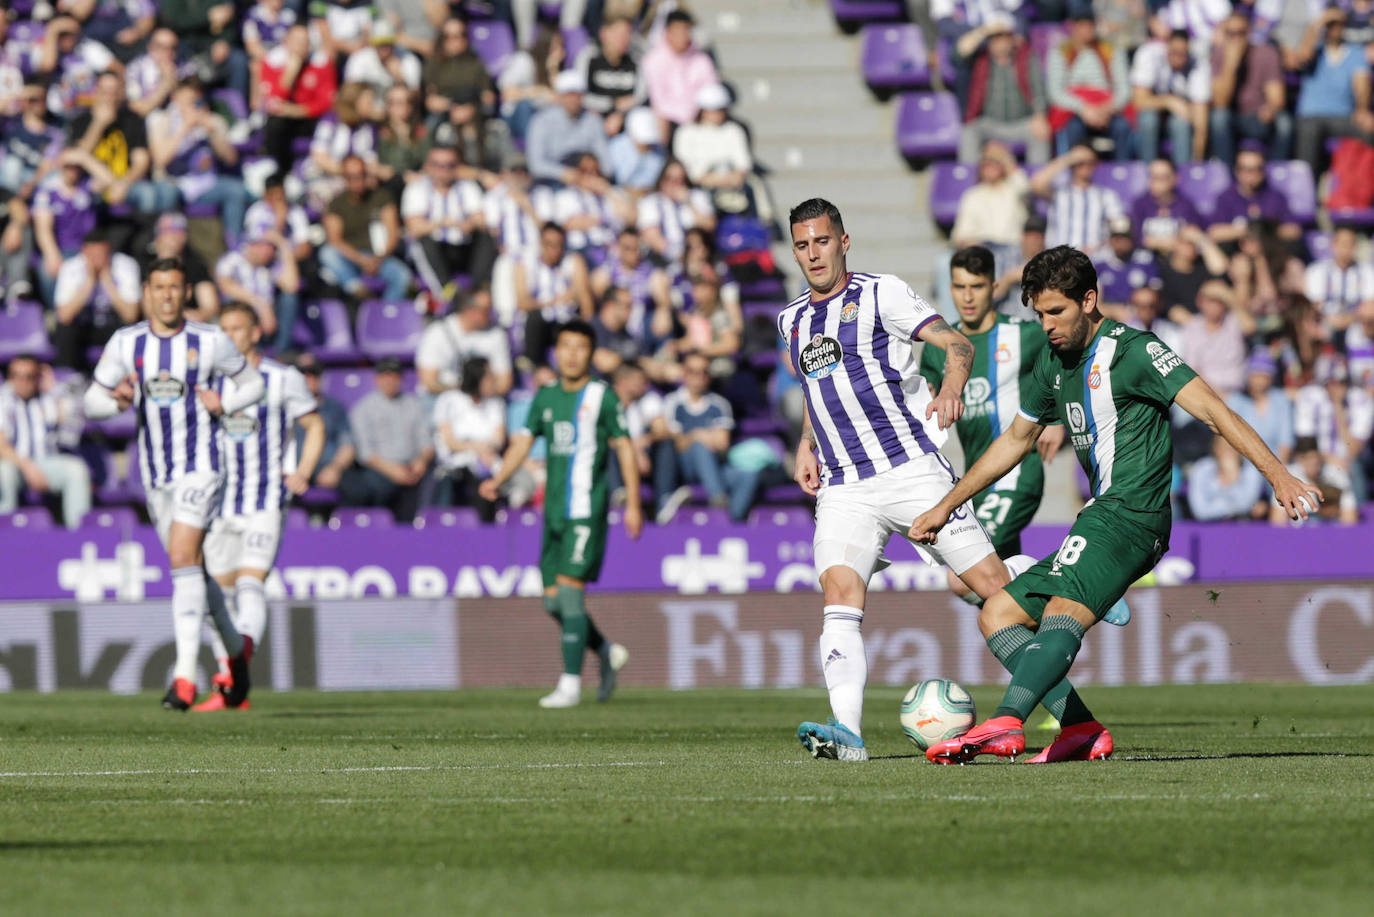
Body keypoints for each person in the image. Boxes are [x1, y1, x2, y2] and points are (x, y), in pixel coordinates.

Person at [909, 245, 1320, 765]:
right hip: (1101, 514)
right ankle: (1080, 728)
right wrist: (948, 505)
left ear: (1089, 299)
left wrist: (1277, 475)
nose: (1047, 325)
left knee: (1060, 613)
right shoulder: (1054, 363)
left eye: (1056, 312)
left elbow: (1215, 411)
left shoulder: (1135, 352)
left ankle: (1005, 722)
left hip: (1132, 513)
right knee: (997, 613)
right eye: (1038, 314)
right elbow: (1015, 440)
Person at [780, 199, 1078, 763]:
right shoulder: (790, 319)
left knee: (989, 589)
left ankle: (1067, 596)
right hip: (845, 484)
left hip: (910, 469)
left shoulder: (881, 293)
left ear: (844, 242)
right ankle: (848, 735)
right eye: (802, 245)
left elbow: (957, 344)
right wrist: (806, 442)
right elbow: (816, 389)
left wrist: (951, 388)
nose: (813, 254)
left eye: (822, 241)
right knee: (840, 596)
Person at [81, 257, 263, 711]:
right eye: (158, 287)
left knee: (182, 557)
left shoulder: (210, 339)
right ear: (146, 292)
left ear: (186, 293)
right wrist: (117, 402)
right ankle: (236, 657)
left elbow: (253, 383)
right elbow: (90, 402)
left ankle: (183, 678)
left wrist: (226, 402)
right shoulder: (127, 343)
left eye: (174, 287)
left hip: (202, 466)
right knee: (195, 575)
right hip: (157, 476)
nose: (166, 295)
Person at [479, 320, 641, 707]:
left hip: (586, 510)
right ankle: (604, 650)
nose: (571, 354)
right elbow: (522, 442)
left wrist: (633, 502)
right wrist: (499, 478)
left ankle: (570, 684)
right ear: (556, 351)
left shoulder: (602, 397)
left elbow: (624, 447)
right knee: (552, 601)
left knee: (570, 595)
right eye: (565, 346)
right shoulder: (546, 396)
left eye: (580, 347)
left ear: (590, 353)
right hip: (552, 511)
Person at [195, 302, 325, 712]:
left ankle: (239, 658)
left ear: (255, 332)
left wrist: (302, 470)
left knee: (252, 584)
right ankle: (230, 688)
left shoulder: (282, 379)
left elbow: (314, 425)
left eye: (239, 328)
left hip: (265, 499)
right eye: (225, 328)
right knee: (215, 598)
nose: (231, 335)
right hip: (219, 504)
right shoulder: (210, 382)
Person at [918, 246, 1067, 574]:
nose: (967, 297)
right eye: (959, 287)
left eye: (977, 286)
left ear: (995, 287)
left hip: (1016, 472)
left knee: (964, 576)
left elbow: (1068, 361)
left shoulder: (1024, 335)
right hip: (976, 480)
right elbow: (922, 392)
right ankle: (1048, 612)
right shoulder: (938, 348)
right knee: (996, 586)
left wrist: (1057, 418)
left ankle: (1074, 579)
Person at [655, 351, 759, 523]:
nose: (699, 376)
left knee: (748, 475)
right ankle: (718, 497)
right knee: (699, 447)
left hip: (714, 466)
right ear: (685, 374)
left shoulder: (719, 404)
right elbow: (678, 444)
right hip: (684, 467)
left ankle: (732, 520)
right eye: (693, 371)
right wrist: (700, 436)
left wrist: (695, 437)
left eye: (704, 371)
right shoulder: (673, 402)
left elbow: (723, 444)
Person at [147, 78, 250, 244]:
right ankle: (163, 243)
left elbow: (231, 159)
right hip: (172, 183)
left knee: (236, 190)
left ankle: (234, 245)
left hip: (205, 184)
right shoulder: (161, 120)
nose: (190, 105)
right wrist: (185, 128)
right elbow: (160, 159)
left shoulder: (213, 120)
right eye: (186, 101)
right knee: (167, 194)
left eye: (194, 100)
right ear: (175, 98)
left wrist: (212, 133)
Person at [0, 354, 91, 529]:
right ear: (9, 377)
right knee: (4, 472)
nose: (22, 382)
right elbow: (1, 447)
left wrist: (55, 389)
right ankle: (4, 531)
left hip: (46, 463)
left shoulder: (48, 399)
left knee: (76, 469)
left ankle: (79, 533)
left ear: (38, 377)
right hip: (15, 464)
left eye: (29, 376)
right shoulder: (3, 401)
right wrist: (27, 466)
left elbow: (75, 424)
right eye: (16, 376)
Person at [339, 358, 432, 523]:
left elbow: (426, 441)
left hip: (412, 468)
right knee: (373, 486)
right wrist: (393, 471)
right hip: (379, 470)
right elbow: (365, 453)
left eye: (394, 376)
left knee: (435, 481)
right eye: (385, 376)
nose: (389, 381)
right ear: (377, 379)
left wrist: (421, 461)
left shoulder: (414, 405)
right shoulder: (364, 408)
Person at [402, 144, 495, 302]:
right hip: (438, 249)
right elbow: (414, 227)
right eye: (438, 165)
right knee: (421, 241)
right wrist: (443, 223)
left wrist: (469, 224)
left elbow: (481, 219)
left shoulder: (467, 187)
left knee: (486, 236)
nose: (444, 170)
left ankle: (479, 290)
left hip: (463, 247)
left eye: (450, 165)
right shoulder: (417, 189)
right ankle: (448, 292)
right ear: (428, 166)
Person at [954, 14, 1051, 166]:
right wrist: (984, 31)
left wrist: (1040, 116)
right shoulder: (980, 59)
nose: (999, 42)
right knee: (969, 131)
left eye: (1003, 36)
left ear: (1012, 38)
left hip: (1021, 122)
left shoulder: (1026, 57)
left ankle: (1036, 182)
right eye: (995, 38)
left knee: (1040, 133)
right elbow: (959, 53)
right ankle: (968, 183)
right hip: (990, 123)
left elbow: (1038, 89)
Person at [320, 154, 412, 302]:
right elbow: (334, 240)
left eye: (360, 175)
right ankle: (357, 289)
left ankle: (384, 314)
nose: (357, 182)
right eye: (351, 177)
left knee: (403, 276)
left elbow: (393, 234)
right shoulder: (336, 204)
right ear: (344, 178)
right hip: (351, 258)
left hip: (380, 258)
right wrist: (361, 260)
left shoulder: (382, 197)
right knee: (327, 253)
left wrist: (378, 259)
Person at [1292, 7, 1374, 172]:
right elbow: (1302, 56)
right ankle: (1306, 189)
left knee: (1369, 131)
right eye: (1331, 25)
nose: (1336, 28)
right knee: (1309, 134)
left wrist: (1363, 110)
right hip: (1311, 115)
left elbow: (1362, 83)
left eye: (1340, 24)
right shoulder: (1316, 51)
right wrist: (1319, 22)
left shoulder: (1356, 53)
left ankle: (1360, 189)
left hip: (1343, 115)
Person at [1045, 11, 1134, 158]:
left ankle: (1122, 171)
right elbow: (1056, 92)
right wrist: (1084, 109)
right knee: (1073, 128)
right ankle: (1073, 172)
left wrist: (1106, 108)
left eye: (1090, 25)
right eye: (1082, 25)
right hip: (1075, 111)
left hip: (1107, 109)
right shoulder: (1060, 51)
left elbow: (1124, 89)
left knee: (1122, 127)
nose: (1086, 30)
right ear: (1073, 26)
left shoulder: (1110, 50)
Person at [53, 227, 142, 371]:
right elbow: (64, 316)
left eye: (102, 255)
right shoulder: (70, 267)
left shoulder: (126, 265)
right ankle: (67, 378)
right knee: (64, 331)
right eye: (92, 256)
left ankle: (128, 374)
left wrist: (108, 281)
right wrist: (89, 282)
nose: (97, 260)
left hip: (113, 326)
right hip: (83, 328)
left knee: (131, 330)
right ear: (84, 252)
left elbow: (131, 315)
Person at [1209, 9, 1291, 164]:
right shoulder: (1218, 55)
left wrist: (1271, 108)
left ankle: (1276, 172)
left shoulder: (1266, 53)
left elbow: (1277, 98)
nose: (1236, 38)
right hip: (1233, 118)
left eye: (1240, 33)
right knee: (1218, 118)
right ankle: (1227, 178)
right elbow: (1220, 102)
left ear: (1249, 33)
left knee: (1284, 122)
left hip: (1258, 118)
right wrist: (1231, 65)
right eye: (1231, 33)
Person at [433, 356, 506, 521]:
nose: (493, 380)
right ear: (476, 378)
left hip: (487, 464)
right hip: (454, 467)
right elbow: (450, 442)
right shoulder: (448, 400)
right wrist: (479, 447)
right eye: (489, 376)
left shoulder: (496, 403)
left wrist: (481, 450)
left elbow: (498, 439)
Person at [516, 222, 594, 369]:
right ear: (540, 243)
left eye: (559, 245)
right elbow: (522, 302)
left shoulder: (573, 261)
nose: (554, 250)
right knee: (535, 318)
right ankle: (532, 365)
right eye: (549, 244)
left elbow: (585, 301)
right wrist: (554, 302)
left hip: (565, 320)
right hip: (538, 323)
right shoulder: (526, 262)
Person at [214, 225, 302, 352]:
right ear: (251, 245)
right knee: (233, 304)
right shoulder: (232, 260)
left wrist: (284, 246)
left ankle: (281, 352)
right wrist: (261, 306)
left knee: (289, 299)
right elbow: (226, 285)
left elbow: (292, 285)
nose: (269, 251)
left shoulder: (270, 264)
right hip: (245, 316)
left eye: (272, 247)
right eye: (263, 246)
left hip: (269, 321)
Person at [1130, 29, 1210, 166]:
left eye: (1182, 54)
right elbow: (1139, 101)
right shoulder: (1149, 54)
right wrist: (1169, 101)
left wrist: (1197, 161)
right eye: (1174, 52)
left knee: (1181, 123)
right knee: (1148, 119)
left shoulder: (1198, 64)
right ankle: (1147, 172)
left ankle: (1185, 172)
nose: (1178, 58)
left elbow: (1201, 123)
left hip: (1180, 116)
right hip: (1152, 114)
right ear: (1166, 47)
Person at [415, 288, 513, 395]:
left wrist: (479, 393)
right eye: (485, 310)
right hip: (442, 396)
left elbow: (504, 383)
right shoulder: (437, 332)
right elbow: (429, 382)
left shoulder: (497, 334)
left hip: (484, 399)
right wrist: (463, 390)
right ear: (468, 310)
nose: (490, 314)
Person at [1031, 144, 1123, 256]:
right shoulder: (1059, 193)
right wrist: (1068, 159)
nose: (1085, 166)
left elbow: (1119, 228)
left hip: (1094, 262)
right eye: (1080, 163)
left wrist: (1100, 246)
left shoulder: (1106, 195)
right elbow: (1036, 184)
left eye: (1090, 162)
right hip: (1060, 261)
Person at [641, 8, 720, 128]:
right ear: (667, 32)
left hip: (697, 117)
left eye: (686, 30)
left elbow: (710, 91)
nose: (683, 35)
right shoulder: (653, 61)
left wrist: (695, 113)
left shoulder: (701, 59)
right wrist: (683, 116)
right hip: (669, 119)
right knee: (660, 122)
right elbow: (658, 101)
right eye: (678, 30)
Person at [294, 353, 355, 490]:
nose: (309, 378)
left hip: (328, 468)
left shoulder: (334, 407)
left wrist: (335, 468)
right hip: (294, 471)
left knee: (358, 487)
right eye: (304, 374)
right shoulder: (286, 408)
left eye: (314, 373)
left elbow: (348, 444)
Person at [1304, 227, 1374, 330]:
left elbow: (1370, 304)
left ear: (1356, 247)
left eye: (1350, 245)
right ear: (1333, 245)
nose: (1346, 249)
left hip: (1357, 324)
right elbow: (1314, 304)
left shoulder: (1367, 271)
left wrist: (1349, 319)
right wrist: (1330, 320)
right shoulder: (1316, 270)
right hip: (1324, 323)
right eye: (1342, 244)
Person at [1131, 158, 1202, 257]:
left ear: (1175, 179)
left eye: (1160, 177)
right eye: (1151, 176)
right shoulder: (1139, 205)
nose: (1154, 182)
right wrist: (1171, 243)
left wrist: (1157, 242)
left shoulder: (1186, 205)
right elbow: (1136, 238)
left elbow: (1194, 237)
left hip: (1176, 263)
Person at [1187, 433, 1266, 521]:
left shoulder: (1251, 470)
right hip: (1207, 529)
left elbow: (1246, 504)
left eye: (1231, 446)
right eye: (1223, 446)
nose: (1227, 451)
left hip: (1241, 527)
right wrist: (1229, 508)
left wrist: (1233, 478)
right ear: (1215, 448)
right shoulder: (1201, 469)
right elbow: (1199, 511)